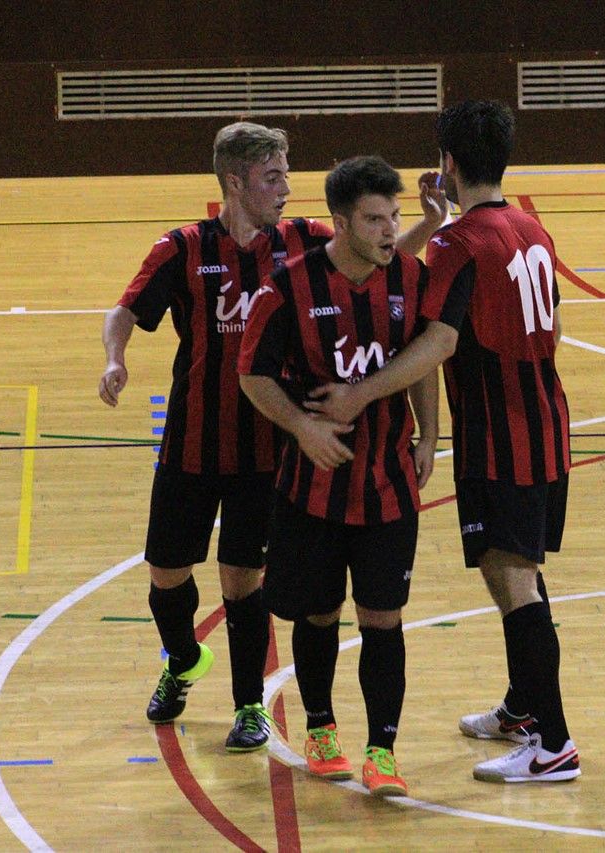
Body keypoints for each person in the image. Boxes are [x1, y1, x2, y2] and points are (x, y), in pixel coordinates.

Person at [100, 123, 445, 752]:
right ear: (235, 183)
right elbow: (123, 311)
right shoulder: (182, 247)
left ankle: (249, 705)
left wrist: (423, 224)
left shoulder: (302, 238)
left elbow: (374, 251)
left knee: (242, 579)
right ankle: (182, 660)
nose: (287, 189)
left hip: (270, 448)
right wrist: (114, 359)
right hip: (193, 441)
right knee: (167, 573)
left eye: (287, 174)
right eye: (273, 177)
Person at [303, 101, 580, 783]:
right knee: (511, 566)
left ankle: (555, 745)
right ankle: (524, 705)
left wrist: (360, 393)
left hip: (499, 433)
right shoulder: (531, 228)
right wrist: (434, 221)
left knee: (515, 581)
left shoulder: (461, 245)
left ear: (448, 162)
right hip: (546, 421)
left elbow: (439, 337)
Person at [238, 155, 440, 797]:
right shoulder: (288, 288)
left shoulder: (412, 278)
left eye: (395, 217)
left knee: (384, 617)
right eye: (374, 219)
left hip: (389, 485)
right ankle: (321, 728)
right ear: (341, 222)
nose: (389, 230)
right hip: (312, 486)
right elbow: (252, 375)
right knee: (319, 614)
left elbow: (421, 360)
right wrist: (302, 426)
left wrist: (431, 432)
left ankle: (383, 750)